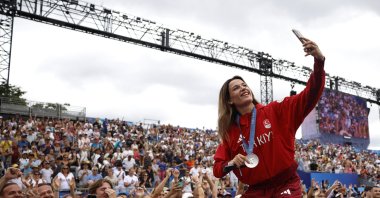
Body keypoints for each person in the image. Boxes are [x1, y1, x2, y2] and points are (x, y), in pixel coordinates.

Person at [213, 36, 325, 197]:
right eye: (236, 88)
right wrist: (231, 164)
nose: (243, 88)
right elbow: (217, 169)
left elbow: (310, 94)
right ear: (229, 100)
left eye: (244, 85)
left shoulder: (276, 110)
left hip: (285, 185)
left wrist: (319, 61)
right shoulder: (229, 132)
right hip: (256, 190)